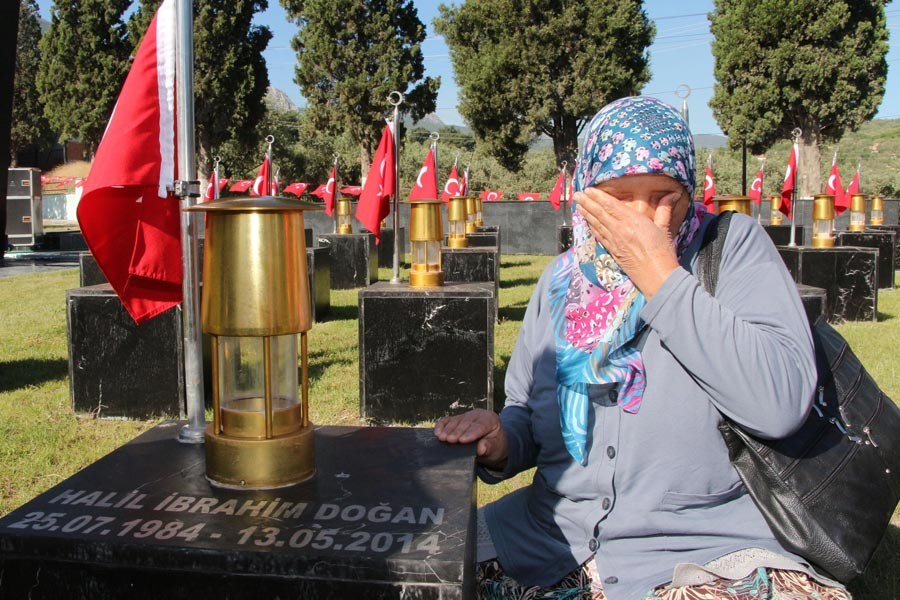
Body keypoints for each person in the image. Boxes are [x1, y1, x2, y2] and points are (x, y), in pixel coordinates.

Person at [434, 96, 851, 600]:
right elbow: (529, 413)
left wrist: (660, 275)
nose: (643, 218)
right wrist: (503, 439)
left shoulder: (733, 247)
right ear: (586, 195)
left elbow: (779, 404)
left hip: (707, 550)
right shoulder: (560, 281)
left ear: (687, 192)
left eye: (662, 195)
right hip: (549, 535)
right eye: (618, 196)